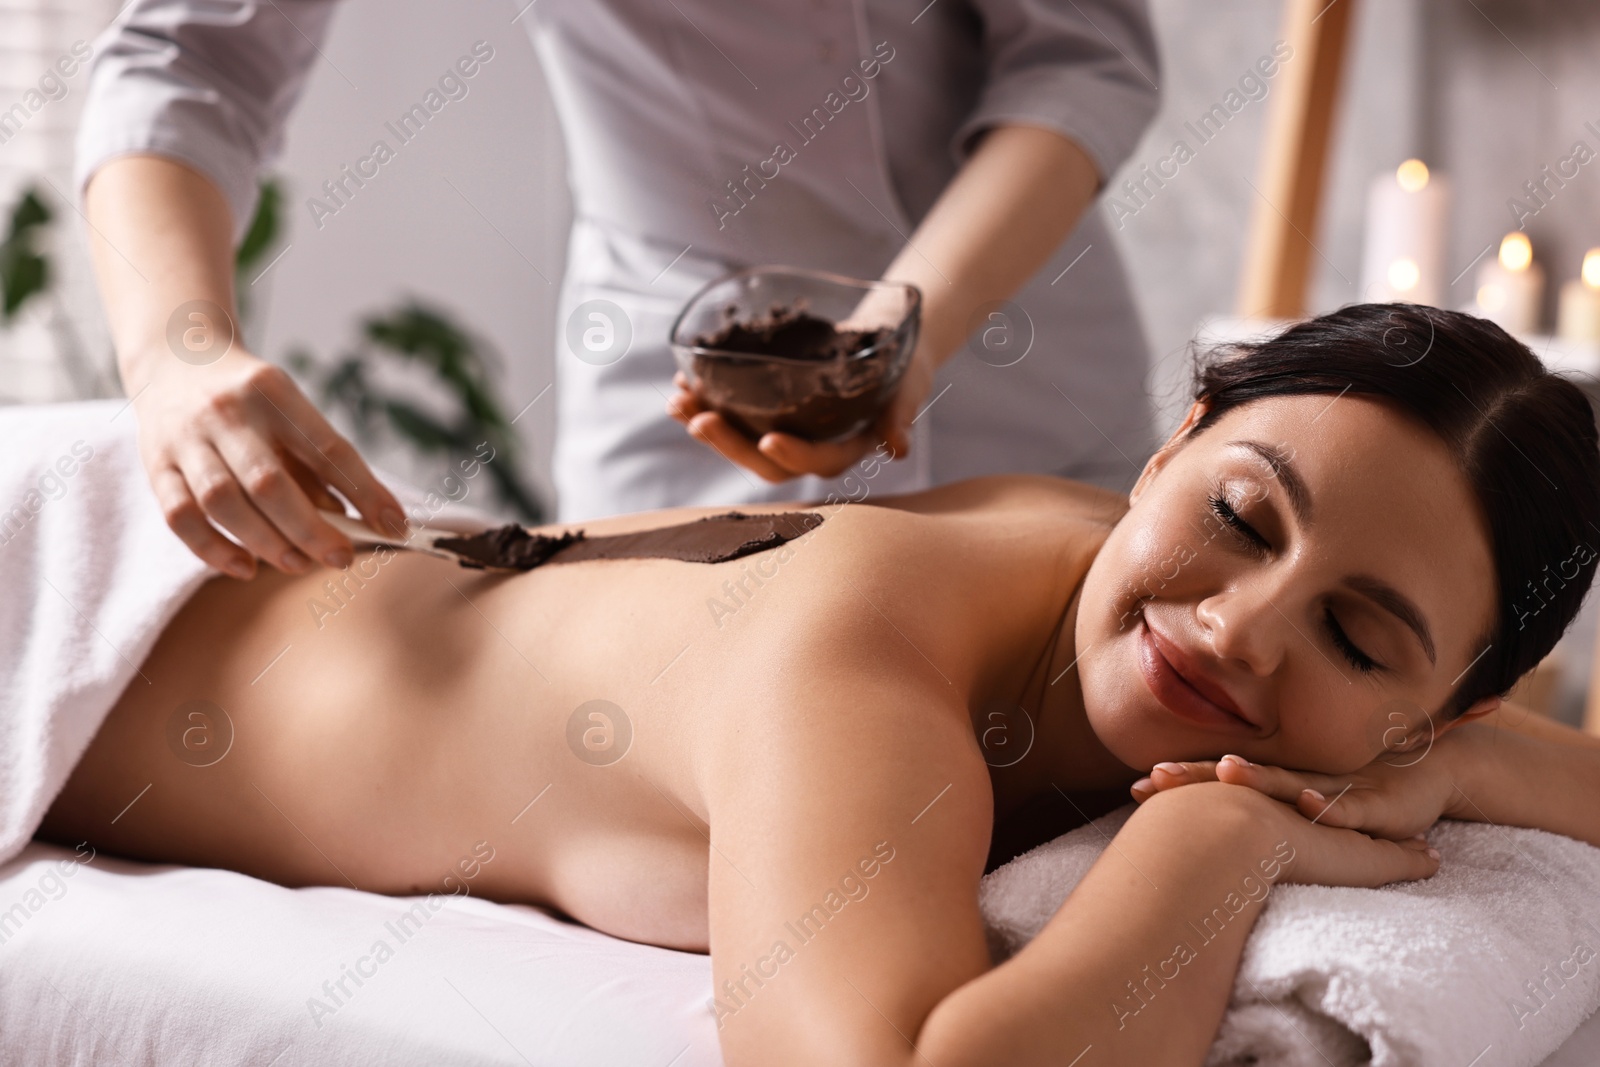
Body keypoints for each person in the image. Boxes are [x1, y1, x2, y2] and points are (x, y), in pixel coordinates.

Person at [36, 304, 1600, 1063]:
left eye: (1356, 636)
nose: (1239, 628)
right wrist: (1215, 845)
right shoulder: (865, 654)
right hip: (70, 589)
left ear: (1438, 706)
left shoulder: (1108, 577)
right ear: (1170, 443)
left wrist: (1460, 777)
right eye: (1240, 515)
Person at [74, 0, 1162, 583]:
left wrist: (911, 327)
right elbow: (187, 60)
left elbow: (1082, 55)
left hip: (1027, 361)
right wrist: (176, 354)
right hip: (680, 394)